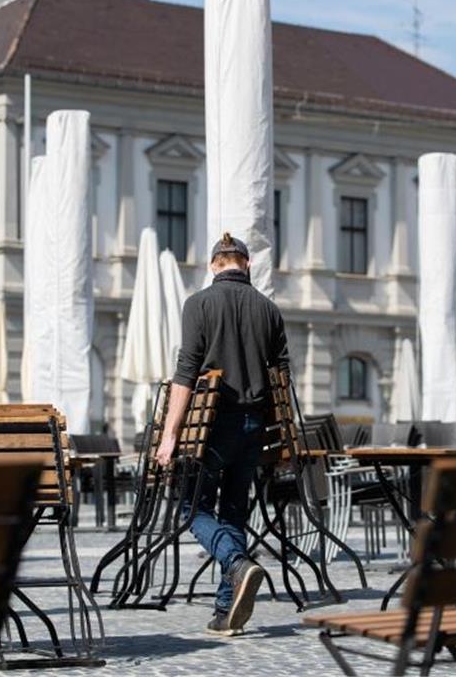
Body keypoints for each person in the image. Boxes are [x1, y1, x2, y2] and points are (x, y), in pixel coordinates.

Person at [155, 231, 289, 636]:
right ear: (246, 264)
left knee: (189, 508)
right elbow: (281, 379)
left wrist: (169, 434)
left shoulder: (198, 304)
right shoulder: (269, 309)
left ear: (214, 264)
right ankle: (225, 611)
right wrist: (284, 439)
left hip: (209, 426)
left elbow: (186, 372)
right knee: (234, 511)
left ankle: (235, 562)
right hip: (254, 426)